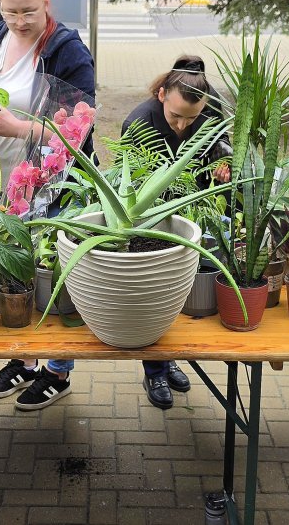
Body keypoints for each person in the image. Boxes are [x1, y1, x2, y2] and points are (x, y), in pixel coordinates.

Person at [0, 0, 95, 412]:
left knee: (55, 280)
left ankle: (58, 370)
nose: (20, 22)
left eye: (28, 11)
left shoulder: (67, 50)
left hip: (51, 189)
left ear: (46, 1)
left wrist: (14, 127)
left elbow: (80, 132)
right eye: (10, 12)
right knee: (13, 275)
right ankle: (24, 360)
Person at [120, 55, 230, 409]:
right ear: (162, 93)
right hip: (151, 224)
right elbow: (132, 182)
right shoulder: (137, 122)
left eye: (192, 118)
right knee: (155, 293)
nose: (183, 125)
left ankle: (170, 358)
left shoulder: (212, 117)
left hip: (194, 217)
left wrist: (223, 168)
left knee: (180, 294)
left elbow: (222, 155)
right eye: (176, 116)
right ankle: (154, 369)